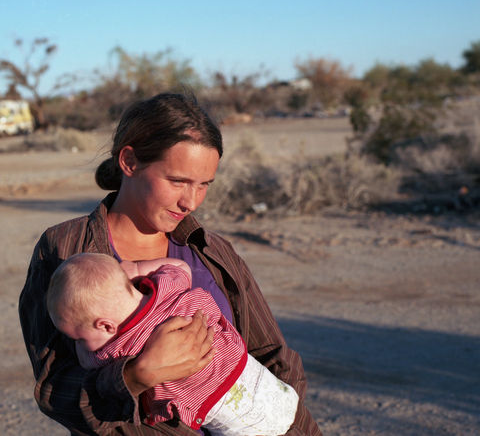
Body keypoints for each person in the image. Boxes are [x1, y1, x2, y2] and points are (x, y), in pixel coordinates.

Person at [19, 91, 322, 436]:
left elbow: (271, 353)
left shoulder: (210, 250)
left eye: (204, 184)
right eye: (177, 181)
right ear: (129, 161)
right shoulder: (65, 251)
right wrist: (136, 376)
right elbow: (55, 389)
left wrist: (294, 426)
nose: (190, 201)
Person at [46, 253, 299, 436]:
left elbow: (87, 362)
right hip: (258, 379)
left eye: (78, 337)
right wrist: (134, 267)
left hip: (223, 413)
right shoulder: (167, 287)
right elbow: (178, 266)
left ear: (105, 326)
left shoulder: (118, 348)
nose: (79, 344)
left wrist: (82, 348)